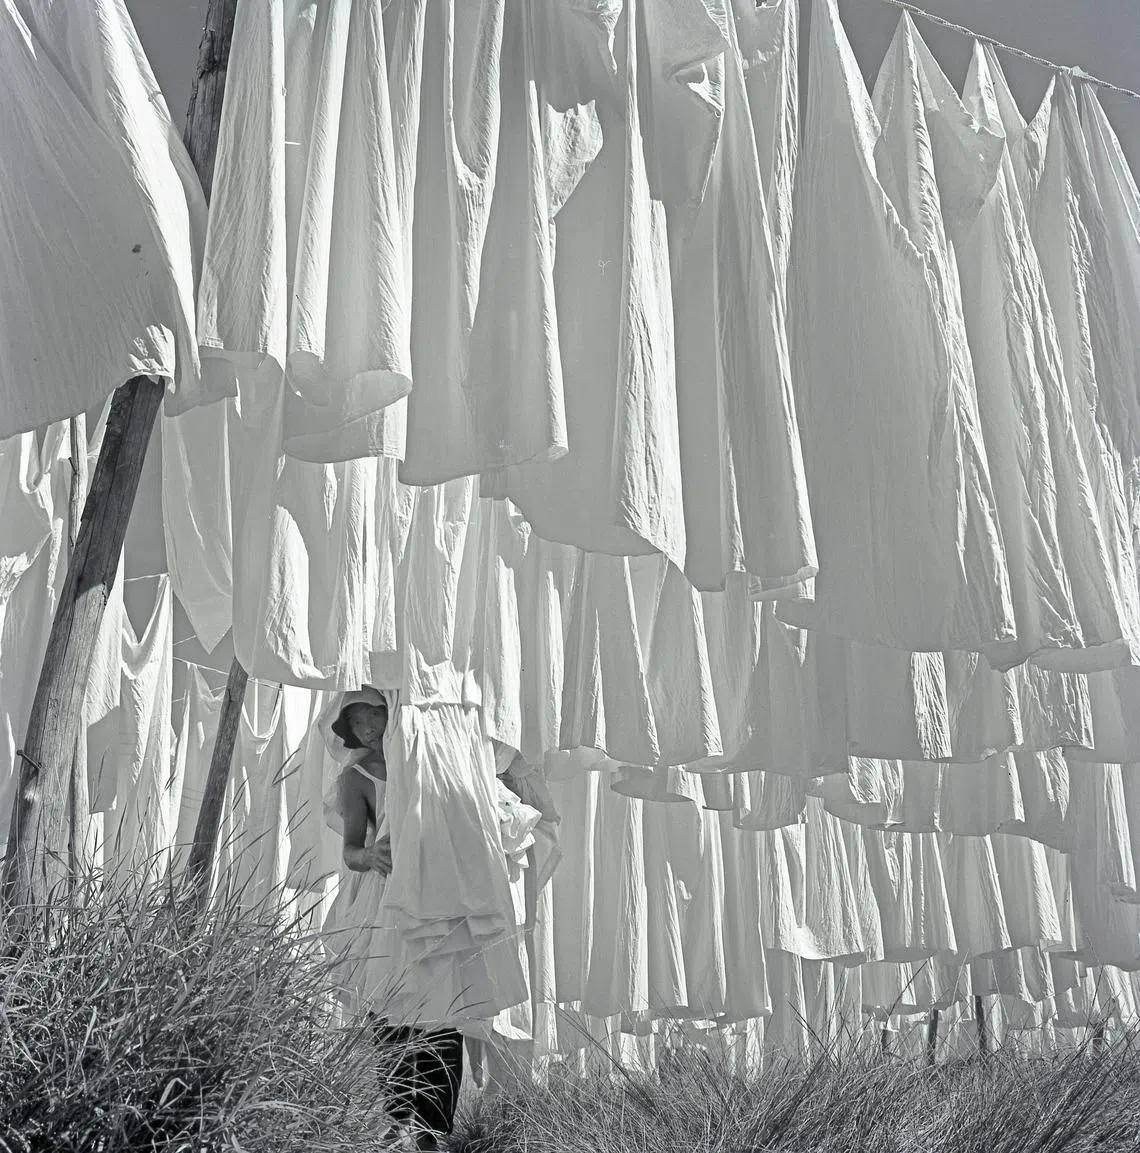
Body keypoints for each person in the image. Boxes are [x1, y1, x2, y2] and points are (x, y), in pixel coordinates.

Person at [331, 695, 465, 1153]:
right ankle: (398, 1121)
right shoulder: (356, 777)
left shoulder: (432, 761)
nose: (367, 726)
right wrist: (369, 855)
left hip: (436, 893)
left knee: (444, 1009)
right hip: (385, 898)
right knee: (389, 1008)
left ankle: (434, 1133)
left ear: (394, 714)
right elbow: (350, 850)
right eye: (356, 720)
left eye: (374, 714)